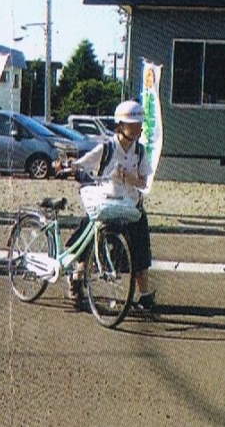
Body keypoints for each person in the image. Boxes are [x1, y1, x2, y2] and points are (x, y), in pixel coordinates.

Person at [70, 100, 156, 311]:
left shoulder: (140, 151)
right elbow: (82, 164)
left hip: (131, 206)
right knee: (89, 243)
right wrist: (67, 165)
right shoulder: (107, 148)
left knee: (140, 253)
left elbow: (144, 182)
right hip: (107, 204)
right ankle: (76, 281)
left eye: (139, 123)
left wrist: (127, 176)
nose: (138, 127)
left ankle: (145, 296)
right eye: (132, 123)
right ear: (121, 124)